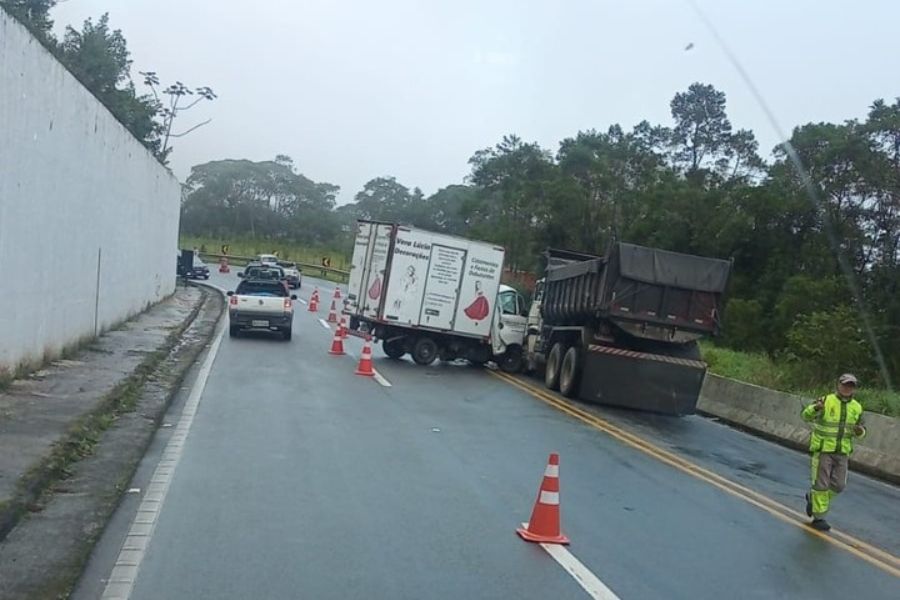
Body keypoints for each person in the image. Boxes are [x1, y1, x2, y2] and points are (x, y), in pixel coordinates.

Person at [801, 373, 866, 531]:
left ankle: (812, 498)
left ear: (854, 389)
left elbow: (863, 431)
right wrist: (816, 408)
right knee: (821, 485)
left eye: (850, 386)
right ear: (838, 385)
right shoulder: (826, 400)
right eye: (844, 385)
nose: (847, 388)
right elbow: (806, 416)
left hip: (842, 452)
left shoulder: (857, 407)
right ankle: (819, 518)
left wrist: (859, 431)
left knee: (839, 485)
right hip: (824, 450)